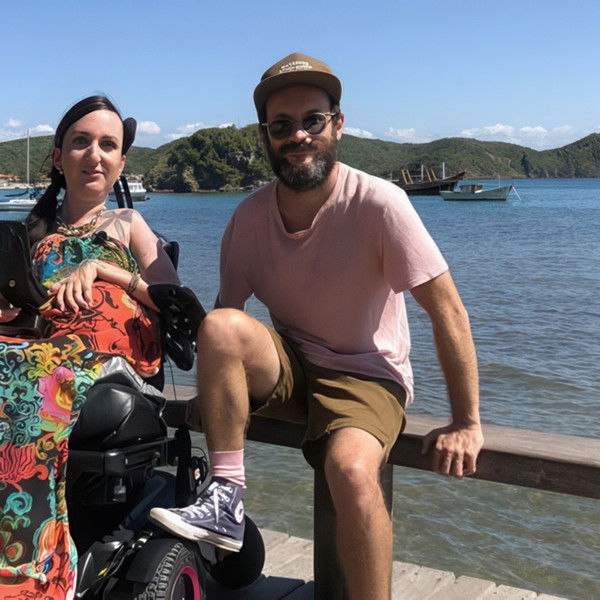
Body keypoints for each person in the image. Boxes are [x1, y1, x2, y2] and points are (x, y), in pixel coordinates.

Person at [150, 53, 484, 599]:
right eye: (281, 125)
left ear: (338, 125)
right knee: (220, 326)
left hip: (366, 375)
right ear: (265, 136)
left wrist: (466, 420)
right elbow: (226, 325)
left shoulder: (380, 203)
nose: (298, 135)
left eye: (312, 120)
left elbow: (447, 310)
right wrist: (211, 401)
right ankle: (226, 498)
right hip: (292, 367)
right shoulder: (249, 217)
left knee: (350, 471)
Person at [0, 95, 179, 599]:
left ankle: (30, 572)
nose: (94, 154)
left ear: (121, 162)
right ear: (59, 158)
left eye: (107, 145)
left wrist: (105, 269)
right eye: (81, 142)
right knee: (22, 363)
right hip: (41, 345)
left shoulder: (127, 224)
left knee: (31, 376)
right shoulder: (31, 234)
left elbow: (175, 304)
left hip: (111, 356)